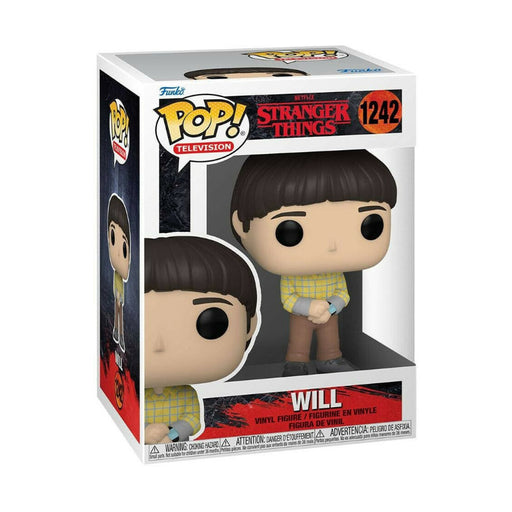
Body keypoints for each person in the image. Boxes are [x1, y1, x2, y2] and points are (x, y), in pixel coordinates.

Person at [230, 150, 397, 376]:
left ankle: (330, 360)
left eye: (370, 225)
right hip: (303, 315)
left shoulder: (334, 273)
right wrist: (309, 308)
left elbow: (343, 294)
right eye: (290, 231)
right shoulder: (293, 276)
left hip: (329, 314)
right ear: (242, 225)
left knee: (331, 343)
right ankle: (296, 363)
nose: (332, 246)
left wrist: (330, 308)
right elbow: (288, 299)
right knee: (298, 344)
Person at [144, 236, 259, 444]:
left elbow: (193, 420)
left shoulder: (186, 394)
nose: (159, 345)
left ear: (249, 327)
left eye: (211, 322)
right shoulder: (134, 395)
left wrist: (171, 435)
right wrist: (145, 431)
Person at [107, 194, 131, 352]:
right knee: (117, 310)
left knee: (119, 310)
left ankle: (120, 333)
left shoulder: (120, 275)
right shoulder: (116, 273)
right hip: (117, 288)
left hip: (119, 290)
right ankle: (117, 331)